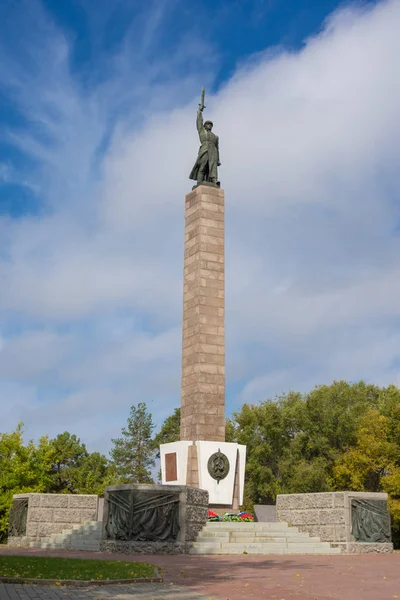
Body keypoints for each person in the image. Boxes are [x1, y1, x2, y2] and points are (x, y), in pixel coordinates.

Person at [189, 99, 221, 187]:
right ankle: (199, 181)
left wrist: (218, 159)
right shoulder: (202, 132)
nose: (209, 126)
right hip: (205, 150)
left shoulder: (215, 137)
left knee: (213, 168)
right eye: (208, 124)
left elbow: (217, 148)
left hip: (213, 152)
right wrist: (200, 111)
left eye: (211, 125)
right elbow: (199, 122)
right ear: (205, 125)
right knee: (203, 166)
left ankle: (214, 181)